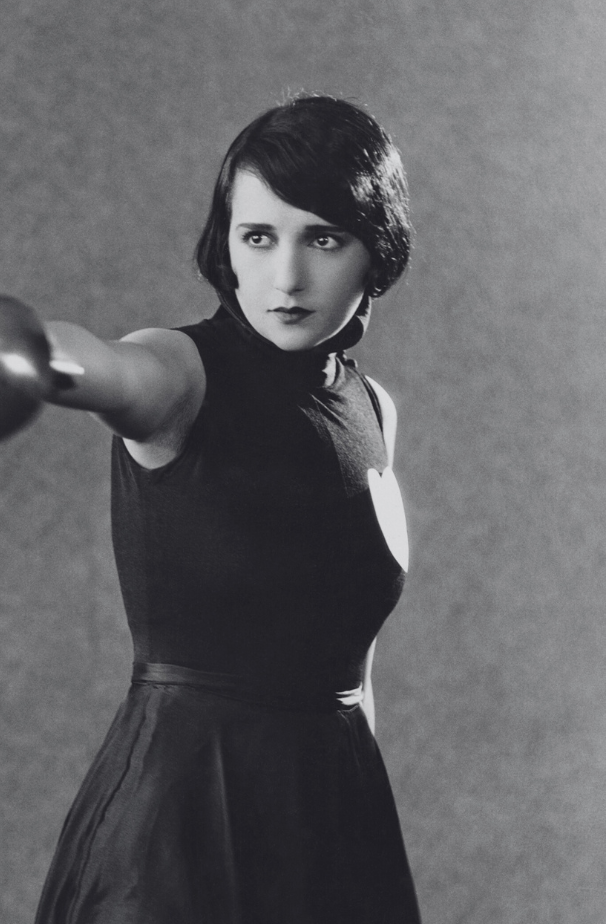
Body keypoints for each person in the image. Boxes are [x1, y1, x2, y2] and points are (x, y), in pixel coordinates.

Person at [30, 95, 421, 923]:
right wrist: (29, 358)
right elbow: (105, 369)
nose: (286, 277)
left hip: (334, 819)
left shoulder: (373, 409)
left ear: (375, 253)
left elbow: (351, 665)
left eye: (323, 238)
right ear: (227, 249)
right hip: (181, 829)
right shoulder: (180, 373)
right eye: (259, 237)